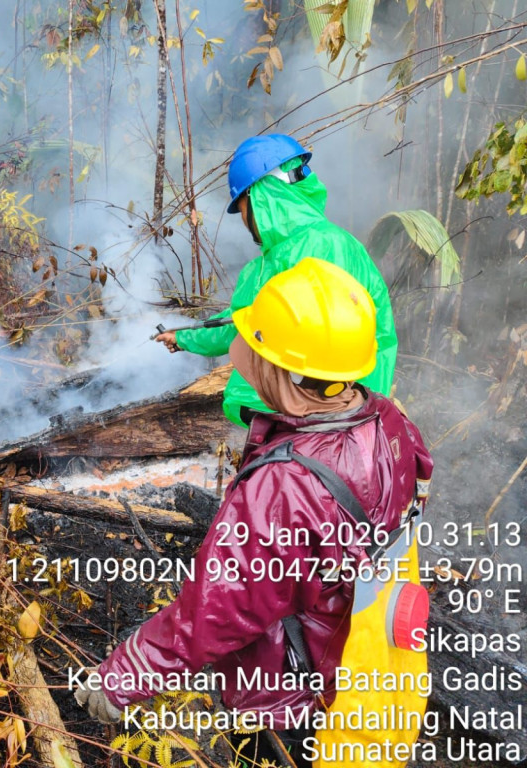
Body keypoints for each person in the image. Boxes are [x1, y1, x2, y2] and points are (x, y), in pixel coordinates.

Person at [76, 258, 433, 768]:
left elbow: (220, 610)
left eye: (256, 348)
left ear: (283, 369)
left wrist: (126, 673)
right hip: (363, 657)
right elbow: (416, 487)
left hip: (293, 697)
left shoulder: (285, 485)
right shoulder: (388, 418)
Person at [155, 134, 397, 428]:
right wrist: (183, 337)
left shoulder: (292, 259)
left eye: (242, 206)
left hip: (315, 411)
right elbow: (247, 322)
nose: (243, 219)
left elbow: (244, 327)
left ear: (260, 196)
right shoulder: (337, 242)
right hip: (354, 405)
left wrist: (183, 339)